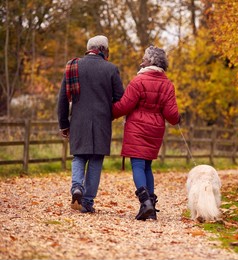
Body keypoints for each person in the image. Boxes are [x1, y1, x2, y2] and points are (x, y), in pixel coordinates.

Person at [112, 46, 180, 221]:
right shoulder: (167, 84)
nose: (141, 61)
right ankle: (151, 205)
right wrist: (178, 119)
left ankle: (145, 203)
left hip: (137, 127)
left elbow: (125, 105)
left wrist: (108, 113)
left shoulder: (138, 81)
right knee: (147, 166)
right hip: (155, 129)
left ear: (151, 61)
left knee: (137, 165)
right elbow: (171, 114)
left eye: (144, 58)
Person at [57, 35, 124, 213]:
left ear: (89, 48)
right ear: (104, 50)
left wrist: (64, 124)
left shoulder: (73, 66)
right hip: (101, 123)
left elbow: (63, 99)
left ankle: (77, 187)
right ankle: (87, 203)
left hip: (78, 122)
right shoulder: (111, 69)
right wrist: (109, 114)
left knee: (79, 156)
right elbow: (121, 100)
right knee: (95, 160)